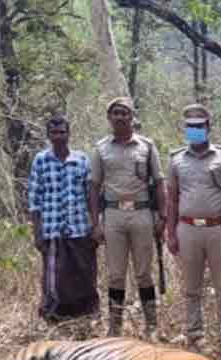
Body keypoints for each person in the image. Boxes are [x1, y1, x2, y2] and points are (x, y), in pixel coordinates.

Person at [167, 104, 221, 355]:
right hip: (188, 229)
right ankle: (194, 335)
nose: (195, 130)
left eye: (199, 126)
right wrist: (170, 233)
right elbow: (171, 199)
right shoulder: (176, 159)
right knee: (191, 286)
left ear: (208, 127)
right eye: (190, 126)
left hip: (218, 229)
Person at [88, 97, 166, 338]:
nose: (120, 117)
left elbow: (160, 183)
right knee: (115, 274)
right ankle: (115, 327)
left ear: (132, 117)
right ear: (109, 118)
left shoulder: (147, 146)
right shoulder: (101, 148)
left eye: (125, 113)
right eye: (116, 113)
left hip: (142, 213)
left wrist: (162, 216)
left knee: (144, 272)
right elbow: (93, 187)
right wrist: (95, 223)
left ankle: (151, 326)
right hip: (113, 216)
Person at [28, 115, 99, 338]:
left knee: (84, 274)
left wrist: (96, 225)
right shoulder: (41, 160)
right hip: (52, 228)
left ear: (69, 134)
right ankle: (54, 321)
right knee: (54, 277)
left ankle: (86, 317)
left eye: (62, 132)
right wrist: (37, 232)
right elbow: (34, 199)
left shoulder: (81, 159)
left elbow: (91, 195)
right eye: (54, 132)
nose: (59, 137)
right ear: (49, 135)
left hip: (79, 227)